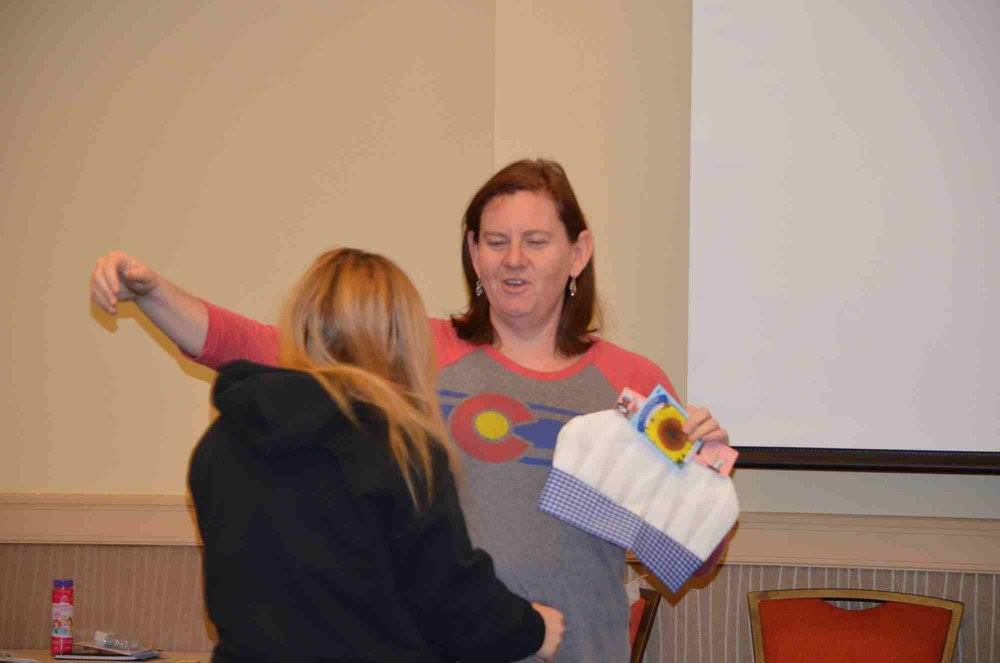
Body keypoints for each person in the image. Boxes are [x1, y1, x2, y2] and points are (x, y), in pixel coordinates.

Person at [91, 159, 732, 662]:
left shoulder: (632, 383)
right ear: (474, 254)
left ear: (579, 252)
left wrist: (702, 481)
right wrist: (152, 293)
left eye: (536, 241)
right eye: (496, 241)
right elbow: (261, 347)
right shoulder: (413, 352)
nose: (513, 259)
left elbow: (695, 560)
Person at [185, 248, 564, 662]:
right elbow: (450, 600)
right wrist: (531, 628)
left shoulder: (220, 442)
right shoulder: (398, 445)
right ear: (401, 340)